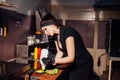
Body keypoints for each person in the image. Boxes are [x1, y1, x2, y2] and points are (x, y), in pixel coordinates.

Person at [40, 13, 95, 80]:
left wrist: (53, 60)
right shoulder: (55, 36)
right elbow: (60, 52)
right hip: (74, 65)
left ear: (52, 25)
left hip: (84, 64)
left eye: (45, 29)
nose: (45, 33)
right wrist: (52, 63)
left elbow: (71, 58)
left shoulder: (67, 32)